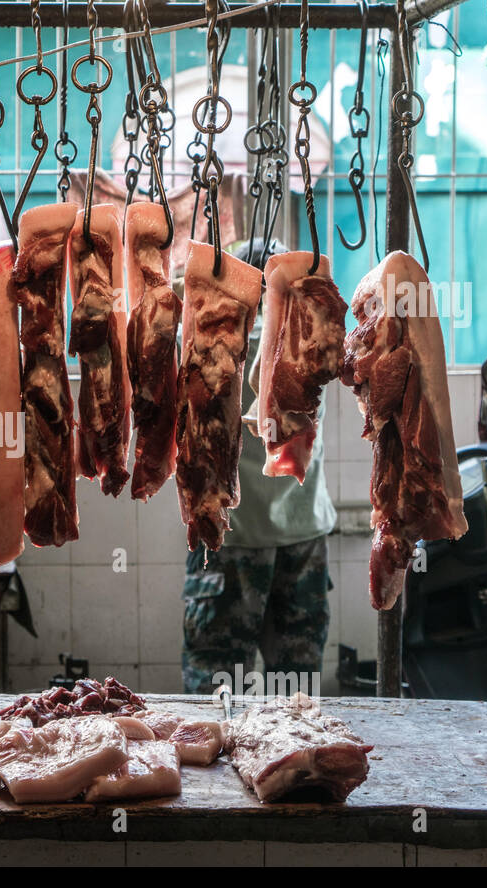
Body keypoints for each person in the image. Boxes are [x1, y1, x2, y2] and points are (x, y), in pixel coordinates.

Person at [181, 239, 337, 695]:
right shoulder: (309, 341)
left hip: (228, 541)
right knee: (298, 695)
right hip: (303, 539)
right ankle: (293, 766)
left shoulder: (207, 338)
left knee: (216, 693)